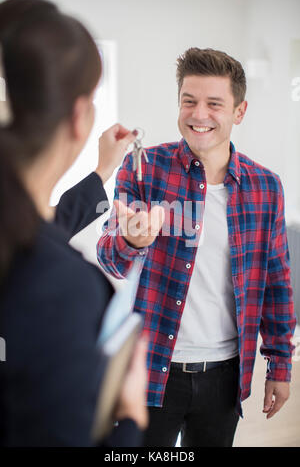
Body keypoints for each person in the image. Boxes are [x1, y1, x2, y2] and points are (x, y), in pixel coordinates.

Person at [97, 47, 297, 447]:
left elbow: (277, 282)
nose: (198, 114)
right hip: (150, 368)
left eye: (214, 104)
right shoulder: (145, 168)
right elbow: (110, 257)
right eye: (189, 101)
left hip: (224, 377)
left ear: (239, 112)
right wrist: (131, 240)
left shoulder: (265, 187)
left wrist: (279, 364)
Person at [0, 0, 148, 447]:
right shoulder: (63, 289)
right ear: (81, 115)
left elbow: (35, 226)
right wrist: (130, 418)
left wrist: (103, 171)